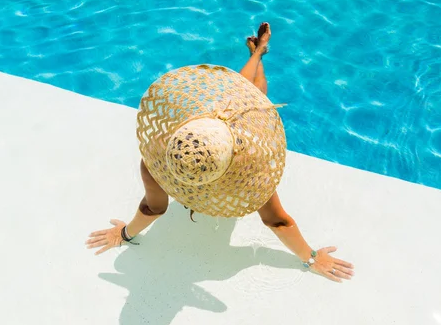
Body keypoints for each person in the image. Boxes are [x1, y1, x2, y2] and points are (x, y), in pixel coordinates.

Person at [86, 23, 354, 282]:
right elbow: (278, 222)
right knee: (251, 95)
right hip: (228, 143)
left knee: (250, 92)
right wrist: (311, 257)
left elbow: (152, 208)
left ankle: (258, 52)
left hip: (213, 150)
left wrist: (125, 233)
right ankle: (258, 52)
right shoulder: (250, 167)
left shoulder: (158, 154)